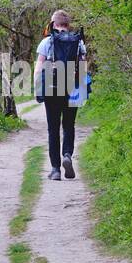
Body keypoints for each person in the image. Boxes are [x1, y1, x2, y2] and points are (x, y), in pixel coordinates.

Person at [34, 10, 88, 180]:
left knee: (53, 129)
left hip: (51, 85)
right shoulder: (78, 42)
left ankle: (56, 169)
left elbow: (39, 68)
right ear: (67, 24)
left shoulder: (47, 42)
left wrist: (37, 88)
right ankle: (67, 155)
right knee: (69, 125)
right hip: (72, 86)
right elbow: (83, 68)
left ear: (53, 23)